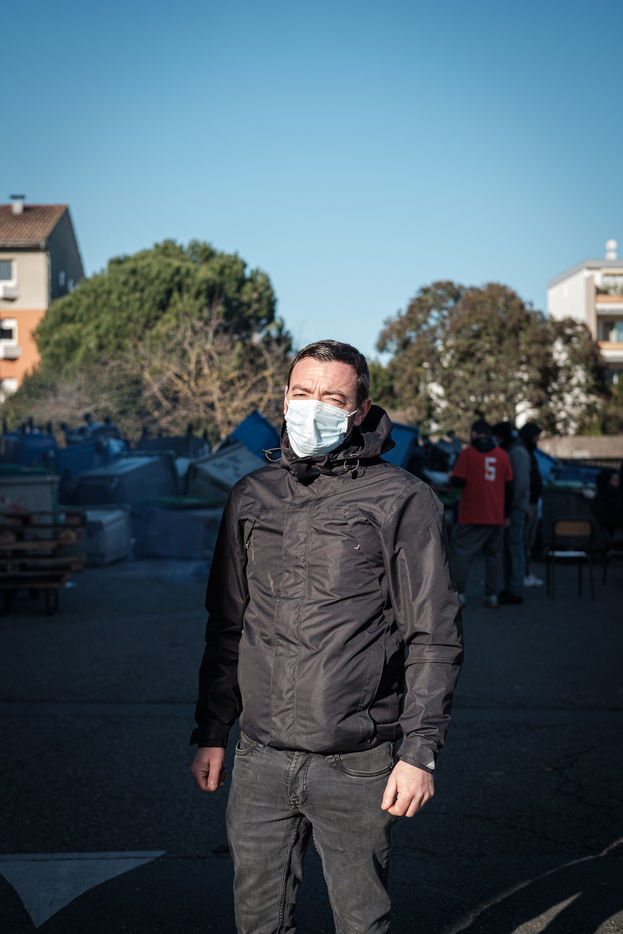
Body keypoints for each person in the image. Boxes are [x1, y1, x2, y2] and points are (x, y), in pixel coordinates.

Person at [190, 339, 464, 934]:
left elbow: (434, 636)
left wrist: (419, 752)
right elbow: (227, 624)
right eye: (302, 393)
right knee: (258, 922)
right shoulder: (251, 495)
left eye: (332, 399)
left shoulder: (402, 500)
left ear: (360, 411)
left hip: (357, 764)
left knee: (361, 923)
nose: (313, 408)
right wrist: (212, 731)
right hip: (260, 759)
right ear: (285, 398)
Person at [450, 419, 513, 608]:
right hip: (495, 514)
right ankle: (492, 595)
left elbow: (459, 481)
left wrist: (451, 477)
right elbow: (509, 487)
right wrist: (506, 515)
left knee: (462, 554)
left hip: (471, 513)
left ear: (474, 433)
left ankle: (460, 594)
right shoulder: (502, 455)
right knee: (494, 556)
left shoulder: (468, 453)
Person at [491, 421, 531, 605]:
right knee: (512, 548)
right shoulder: (516, 451)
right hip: (515, 507)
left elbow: (520, 485)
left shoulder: (516, 452)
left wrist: (510, 507)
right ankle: (511, 587)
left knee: (514, 548)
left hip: (515, 508)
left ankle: (515, 589)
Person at [517, 422, 544, 586]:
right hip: (528, 505)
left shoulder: (527, 452)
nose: (537, 441)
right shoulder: (523, 453)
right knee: (524, 542)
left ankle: (524, 573)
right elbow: (522, 483)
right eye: (536, 437)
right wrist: (525, 504)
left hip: (531, 503)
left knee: (526, 542)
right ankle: (523, 574)